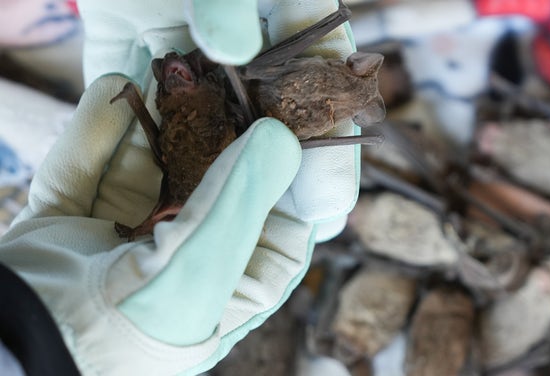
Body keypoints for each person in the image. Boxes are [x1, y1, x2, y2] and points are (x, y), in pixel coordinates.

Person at [0, 0, 361, 374]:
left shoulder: (181, 102)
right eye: (171, 78)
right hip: (215, 159)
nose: (175, 75)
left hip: (187, 169)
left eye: (176, 74)